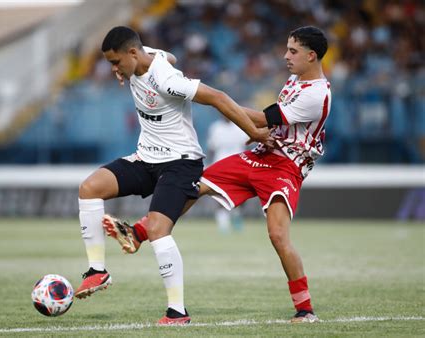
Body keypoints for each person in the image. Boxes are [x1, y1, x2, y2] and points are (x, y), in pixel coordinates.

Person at [105, 26, 331, 323]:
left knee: (277, 235)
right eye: (287, 49)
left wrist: (225, 105)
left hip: (286, 167)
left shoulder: (317, 93)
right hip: (259, 155)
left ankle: (305, 309)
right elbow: (273, 124)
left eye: (293, 51)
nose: (285, 56)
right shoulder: (295, 80)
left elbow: (265, 118)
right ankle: (138, 233)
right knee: (193, 185)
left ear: (311, 56)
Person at [74, 26, 270, 326]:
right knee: (89, 188)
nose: (114, 69)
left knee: (157, 230)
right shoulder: (146, 57)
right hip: (146, 158)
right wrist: (148, 59)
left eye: (116, 62)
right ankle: (97, 271)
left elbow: (217, 97)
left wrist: (254, 132)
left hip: (180, 164)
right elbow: (171, 55)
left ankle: (177, 311)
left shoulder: (165, 80)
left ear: (132, 53)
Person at [206, 116, 247, 233]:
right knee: (220, 194)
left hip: (239, 166)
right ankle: (223, 224)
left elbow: (247, 145)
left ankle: (237, 218)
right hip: (220, 166)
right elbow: (211, 148)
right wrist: (209, 164)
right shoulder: (216, 127)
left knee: (241, 195)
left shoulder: (240, 126)